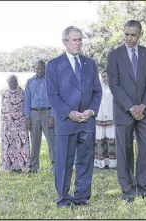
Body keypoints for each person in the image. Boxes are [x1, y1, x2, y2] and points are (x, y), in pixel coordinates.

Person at [46, 26, 102, 208]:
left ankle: (82, 197)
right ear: (65, 42)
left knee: (85, 161)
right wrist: (69, 113)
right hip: (66, 121)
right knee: (64, 162)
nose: (78, 43)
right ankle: (63, 197)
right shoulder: (54, 65)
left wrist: (91, 111)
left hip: (87, 121)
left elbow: (97, 92)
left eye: (80, 39)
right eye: (74, 40)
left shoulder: (90, 63)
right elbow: (52, 95)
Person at [107, 20, 146, 205]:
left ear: (140, 35)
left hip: (144, 111)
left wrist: (143, 105)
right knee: (125, 151)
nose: (129, 38)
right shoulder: (114, 55)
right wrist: (131, 107)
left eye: (133, 35)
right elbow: (114, 85)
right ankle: (128, 190)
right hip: (123, 111)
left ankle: (145, 188)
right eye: (126, 34)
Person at [24, 60, 56, 173]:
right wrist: (27, 117)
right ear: (34, 69)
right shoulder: (29, 82)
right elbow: (27, 100)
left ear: (45, 69)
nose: (39, 70)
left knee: (52, 142)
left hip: (47, 112)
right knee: (35, 142)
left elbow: (54, 100)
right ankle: (33, 167)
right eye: (37, 68)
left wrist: (52, 116)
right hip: (33, 113)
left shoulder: (51, 81)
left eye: (41, 68)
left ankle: (55, 167)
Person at [0, 75, 30, 172]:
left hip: (21, 124)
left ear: (17, 81)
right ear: (7, 82)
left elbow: (26, 108)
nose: (13, 82)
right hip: (8, 124)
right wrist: (4, 125)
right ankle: (11, 167)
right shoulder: (4, 94)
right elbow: (3, 110)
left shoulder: (23, 93)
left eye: (14, 80)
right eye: (11, 81)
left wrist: (26, 120)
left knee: (20, 145)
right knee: (10, 145)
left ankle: (21, 167)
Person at [94, 70, 117, 169]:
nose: (106, 78)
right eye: (104, 76)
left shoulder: (115, 89)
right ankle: (101, 163)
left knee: (111, 140)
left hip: (112, 119)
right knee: (100, 140)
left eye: (108, 76)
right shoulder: (98, 89)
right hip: (99, 119)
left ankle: (112, 163)